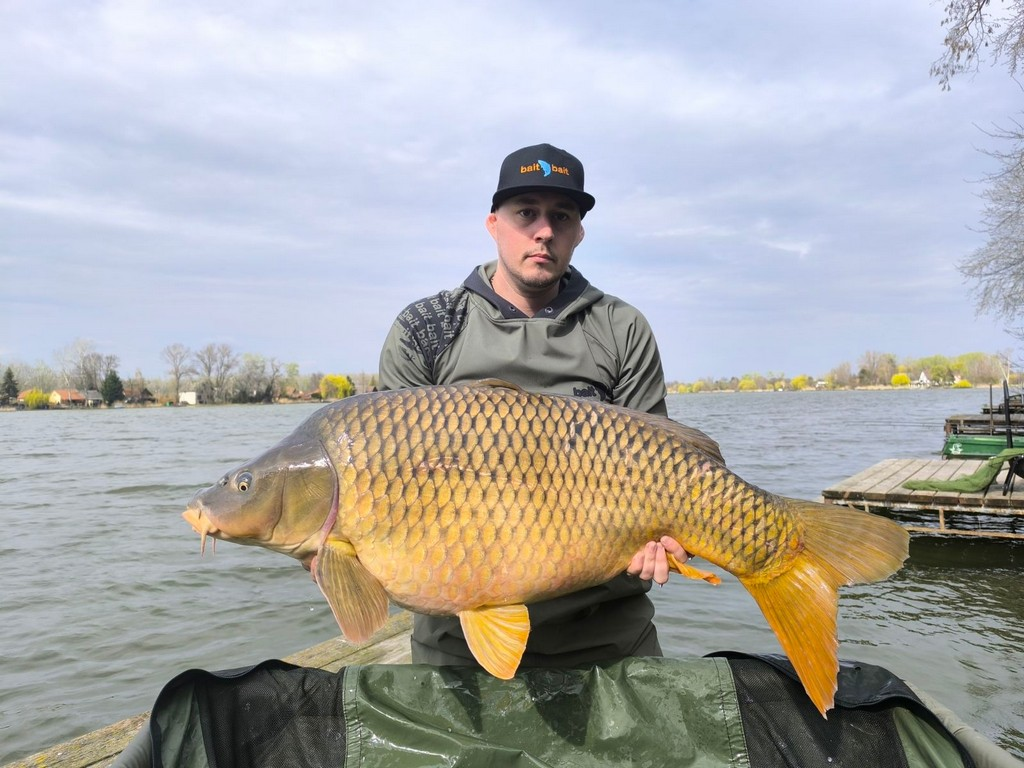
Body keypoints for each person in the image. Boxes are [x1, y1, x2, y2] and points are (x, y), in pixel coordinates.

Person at [378, 142, 700, 670]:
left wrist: (662, 540)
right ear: (494, 224)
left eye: (561, 216)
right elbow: (388, 486)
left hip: (607, 639)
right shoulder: (427, 328)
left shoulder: (620, 327)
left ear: (579, 233)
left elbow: (661, 468)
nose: (544, 231)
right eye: (526, 213)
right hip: (458, 643)